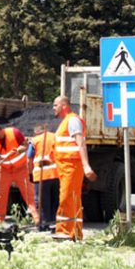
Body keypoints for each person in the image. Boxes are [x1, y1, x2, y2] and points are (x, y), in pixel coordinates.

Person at [0, 122, 39, 225]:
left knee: (28, 193)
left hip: (21, 169)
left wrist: (18, 150)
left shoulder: (14, 133)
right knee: (2, 194)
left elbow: (26, 146)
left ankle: (37, 218)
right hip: (5, 170)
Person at [53, 96, 97, 240]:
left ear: (64, 105)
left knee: (67, 198)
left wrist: (86, 166)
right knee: (71, 199)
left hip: (72, 167)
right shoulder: (65, 122)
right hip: (66, 167)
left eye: (55, 105)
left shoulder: (72, 121)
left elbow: (80, 144)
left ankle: (66, 232)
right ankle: (74, 232)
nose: (53, 108)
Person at [27, 125, 59, 231]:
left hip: (41, 176)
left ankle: (44, 224)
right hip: (56, 174)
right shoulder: (55, 137)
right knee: (55, 199)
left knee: (42, 201)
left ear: (37, 132)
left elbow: (29, 159)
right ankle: (54, 223)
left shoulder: (35, 141)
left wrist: (30, 173)